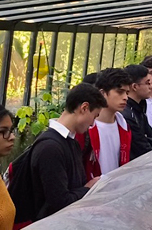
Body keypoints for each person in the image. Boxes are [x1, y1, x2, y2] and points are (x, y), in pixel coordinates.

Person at [25, 83, 106, 222]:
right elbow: (59, 202)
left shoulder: (71, 142)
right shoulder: (50, 148)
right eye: (94, 116)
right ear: (84, 108)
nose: (93, 124)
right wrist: (88, 188)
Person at [77, 68, 132, 180]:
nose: (125, 97)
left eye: (127, 93)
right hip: (91, 192)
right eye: (119, 92)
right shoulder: (85, 128)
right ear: (102, 93)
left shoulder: (124, 127)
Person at [122, 64, 152, 158]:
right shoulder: (127, 114)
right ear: (135, 87)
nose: (150, 86)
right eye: (147, 83)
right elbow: (142, 146)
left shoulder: (139, 109)